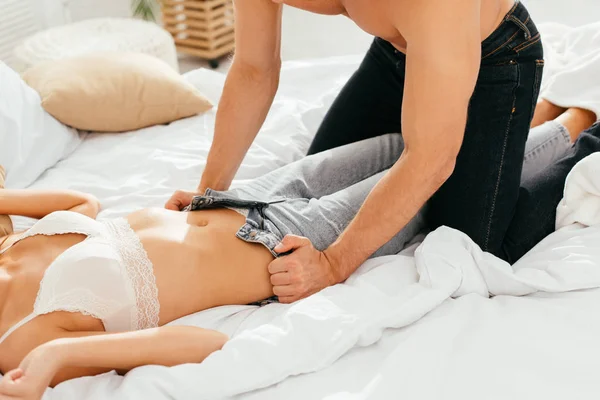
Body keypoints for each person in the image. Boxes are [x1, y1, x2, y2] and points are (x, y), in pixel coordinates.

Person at [0, 102, 597, 398]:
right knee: (443, 166)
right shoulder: (18, 340)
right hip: (292, 242)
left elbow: (81, 203)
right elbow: (202, 343)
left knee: (408, 142)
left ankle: (544, 101)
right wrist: (53, 363)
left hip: (246, 199)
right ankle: (580, 122)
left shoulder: (9, 239)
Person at [167, 0, 547, 302]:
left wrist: (333, 264)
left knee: (465, 249)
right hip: (398, 52)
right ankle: (491, 130)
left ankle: (573, 127)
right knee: (316, 199)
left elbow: (432, 159)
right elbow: (253, 69)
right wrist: (209, 193)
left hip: (496, 59)